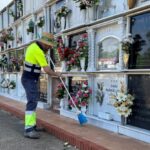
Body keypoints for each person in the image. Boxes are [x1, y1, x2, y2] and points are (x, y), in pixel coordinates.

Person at [21, 32, 60, 139]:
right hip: (29, 79)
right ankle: (29, 129)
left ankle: (32, 125)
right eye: (48, 46)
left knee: (33, 101)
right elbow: (47, 70)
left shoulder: (33, 46)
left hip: (30, 79)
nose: (49, 48)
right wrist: (57, 74)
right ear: (44, 43)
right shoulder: (38, 51)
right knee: (32, 102)